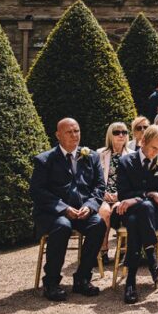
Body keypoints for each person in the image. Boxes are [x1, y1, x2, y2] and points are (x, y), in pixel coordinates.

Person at [30, 118, 106, 301]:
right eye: (69, 132)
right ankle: (51, 282)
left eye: (77, 131)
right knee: (62, 226)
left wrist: (90, 206)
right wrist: (64, 209)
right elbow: (37, 191)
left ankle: (82, 278)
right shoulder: (45, 160)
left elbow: (99, 187)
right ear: (58, 135)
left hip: (82, 212)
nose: (74, 135)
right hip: (53, 213)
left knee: (99, 224)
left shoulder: (91, 156)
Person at [115, 124, 158, 303]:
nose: (156, 154)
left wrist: (147, 196)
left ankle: (131, 282)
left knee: (143, 211)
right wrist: (149, 194)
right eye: (153, 148)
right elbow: (123, 194)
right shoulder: (126, 162)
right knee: (138, 215)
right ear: (142, 142)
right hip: (130, 212)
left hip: (157, 215)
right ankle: (152, 263)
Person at [98, 121, 132, 261]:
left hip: (122, 196)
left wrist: (120, 195)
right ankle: (103, 250)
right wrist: (103, 193)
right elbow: (95, 178)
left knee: (119, 210)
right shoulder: (100, 154)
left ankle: (123, 250)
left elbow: (134, 182)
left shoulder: (133, 155)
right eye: (117, 132)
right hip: (103, 195)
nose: (121, 135)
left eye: (124, 132)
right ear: (110, 135)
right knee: (104, 212)